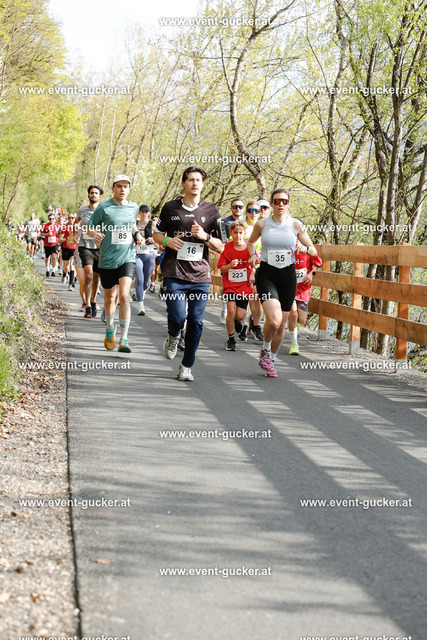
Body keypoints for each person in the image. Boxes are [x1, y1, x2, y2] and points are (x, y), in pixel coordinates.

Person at [153, 166, 224, 381]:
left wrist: (205, 236)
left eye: (198, 180)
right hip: (174, 271)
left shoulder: (211, 211)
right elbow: (156, 234)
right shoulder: (170, 207)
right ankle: (174, 334)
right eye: (191, 180)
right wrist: (167, 241)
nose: (194, 183)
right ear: (183, 183)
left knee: (196, 321)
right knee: (178, 317)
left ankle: (186, 366)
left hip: (200, 275)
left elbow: (221, 246)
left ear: (202, 184)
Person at [247, 189, 318, 377]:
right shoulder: (262, 224)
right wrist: (253, 255)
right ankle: (265, 348)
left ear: (289, 204)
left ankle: (271, 360)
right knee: (273, 320)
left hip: (288, 276)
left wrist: (304, 248)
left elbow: (313, 251)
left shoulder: (295, 225)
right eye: (277, 201)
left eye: (284, 201)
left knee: (282, 325)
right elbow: (251, 242)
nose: (280, 204)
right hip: (267, 274)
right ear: (271, 203)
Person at [88, 174, 142, 353]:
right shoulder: (104, 208)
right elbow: (89, 227)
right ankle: (110, 329)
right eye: (119, 186)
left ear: (129, 188)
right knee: (110, 298)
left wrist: (137, 234)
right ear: (113, 188)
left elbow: (132, 224)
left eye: (126, 186)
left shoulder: (133, 206)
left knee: (124, 295)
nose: (122, 189)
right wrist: (95, 235)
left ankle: (124, 339)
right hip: (107, 258)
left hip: (127, 257)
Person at [218, 220, 257, 350]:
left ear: (244, 233)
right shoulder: (227, 247)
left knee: (239, 315)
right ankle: (231, 339)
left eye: (240, 232)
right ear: (230, 233)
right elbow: (221, 268)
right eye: (235, 232)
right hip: (230, 284)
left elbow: (255, 263)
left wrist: (252, 273)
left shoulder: (249, 247)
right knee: (230, 310)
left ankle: (241, 323)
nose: (238, 235)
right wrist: (229, 265)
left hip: (244, 285)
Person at [288, 233, 322, 355]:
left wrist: (311, 274)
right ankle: (294, 344)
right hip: (289, 287)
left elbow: (318, 263)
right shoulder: (286, 249)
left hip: (303, 288)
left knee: (301, 320)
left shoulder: (308, 250)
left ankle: (293, 327)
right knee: (293, 312)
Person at [76, 185, 103, 318]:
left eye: (96, 193)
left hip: (99, 247)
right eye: (92, 193)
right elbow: (76, 222)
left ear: (99, 196)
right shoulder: (82, 210)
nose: (94, 195)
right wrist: (74, 234)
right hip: (85, 246)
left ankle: (93, 301)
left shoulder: (104, 210)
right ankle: (87, 305)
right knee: (89, 276)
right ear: (88, 195)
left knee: (97, 278)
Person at [219, 197, 245, 324]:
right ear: (231, 208)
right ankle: (225, 309)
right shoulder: (224, 222)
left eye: (240, 207)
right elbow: (220, 239)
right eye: (235, 206)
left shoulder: (247, 222)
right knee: (227, 282)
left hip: (244, 257)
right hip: (228, 255)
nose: (237, 209)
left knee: (244, 286)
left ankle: (242, 318)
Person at [244, 202, 263, 341]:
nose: (253, 213)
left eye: (256, 210)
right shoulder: (241, 226)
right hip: (243, 266)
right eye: (250, 210)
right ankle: (242, 323)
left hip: (260, 266)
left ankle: (256, 326)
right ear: (246, 212)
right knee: (244, 297)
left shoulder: (264, 226)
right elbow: (230, 244)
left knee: (256, 295)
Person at [134, 205, 156, 315]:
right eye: (142, 212)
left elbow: (158, 238)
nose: (144, 214)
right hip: (137, 254)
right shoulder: (135, 224)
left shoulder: (153, 224)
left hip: (149, 254)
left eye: (146, 212)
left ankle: (141, 292)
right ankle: (141, 306)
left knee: (146, 282)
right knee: (139, 279)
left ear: (148, 213)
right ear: (139, 213)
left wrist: (153, 240)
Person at [58, 213, 79, 291]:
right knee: (66, 268)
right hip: (65, 248)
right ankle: (64, 274)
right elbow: (60, 239)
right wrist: (67, 239)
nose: (71, 219)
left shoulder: (77, 227)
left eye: (73, 218)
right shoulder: (65, 227)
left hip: (74, 249)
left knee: (71, 266)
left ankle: (71, 284)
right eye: (69, 218)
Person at [40, 211, 61, 276]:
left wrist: (60, 239)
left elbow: (61, 233)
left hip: (55, 243)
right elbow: (41, 234)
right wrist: (47, 234)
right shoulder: (45, 226)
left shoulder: (58, 226)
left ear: (54, 219)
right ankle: (47, 269)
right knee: (47, 257)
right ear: (48, 219)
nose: (51, 220)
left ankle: (53, 270)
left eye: (52, 219)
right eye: (50, 219)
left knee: (54, 256)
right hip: (47, 244)